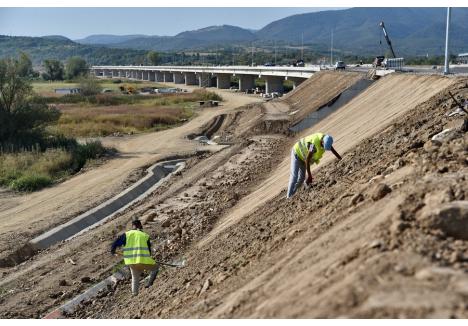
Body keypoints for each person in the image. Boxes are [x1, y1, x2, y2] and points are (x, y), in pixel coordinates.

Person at [111, 218, 160, 296]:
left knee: (135, 277)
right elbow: (149, 250)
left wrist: (112, 251)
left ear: (132, 226)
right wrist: (149, 257)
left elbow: (115, 243)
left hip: (131, 261)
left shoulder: (126, 235)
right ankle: (149, 284)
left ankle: (134, 293)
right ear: (140, 226)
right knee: (155, 268)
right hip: (143, 260)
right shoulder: (144, 235)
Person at [287, 132, 342, 198]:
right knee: (294, 177)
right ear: (322, 142)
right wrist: (310, 175)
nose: (323, 148)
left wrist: (340, 159)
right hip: (296, 153)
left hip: (303, 157)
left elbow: (332, 150)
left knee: (302, 178)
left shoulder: (326, 139)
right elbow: (307, 160)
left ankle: (294, 192)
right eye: (323, 146)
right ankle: (289, 197)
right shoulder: (312, 145)